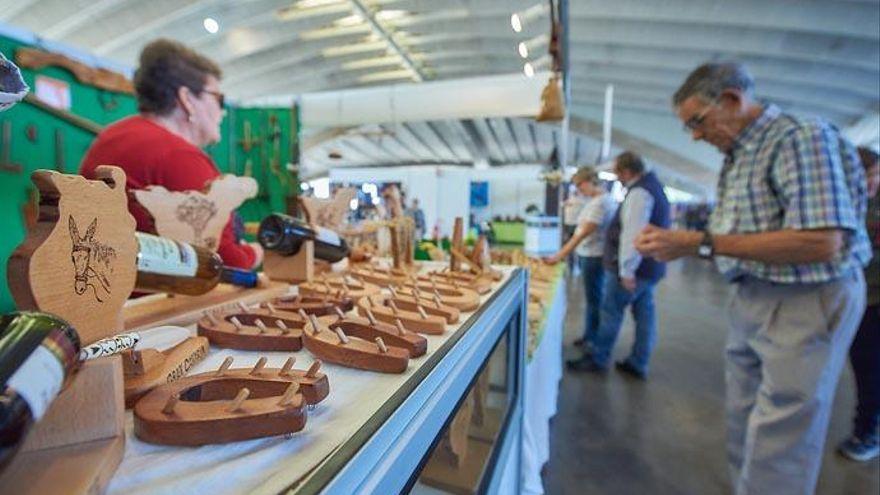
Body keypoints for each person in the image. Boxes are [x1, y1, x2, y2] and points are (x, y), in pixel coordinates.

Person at [635, 62, 870, 495]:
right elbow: (743, 233)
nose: (694, 136)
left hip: (805, 296)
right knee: (746, 416)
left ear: (731, 100)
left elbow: (821, 242)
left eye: (697, 122)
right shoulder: (740, 154)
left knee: (783, 429)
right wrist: (699, 244)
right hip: (755, 293)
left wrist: (699, 242)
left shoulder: (799, 137)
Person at [80, 39, 261, 270]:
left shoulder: (112, 136)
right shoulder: (179, 156)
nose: (222, 111)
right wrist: (257, 252)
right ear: (187, 99)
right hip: (153, 298)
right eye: (218, 98)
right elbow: (224, 261)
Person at [570, 152, 670, 378]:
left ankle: (598, 357)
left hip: (634, 269)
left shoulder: (639, 193)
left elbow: (632, 235)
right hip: (650, 267)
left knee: (611, 313)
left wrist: (626, 270)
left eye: (618, 173)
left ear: (627, 171)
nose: (617, 178)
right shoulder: (653, 187)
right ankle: (639, 361)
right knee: (644, 315)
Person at [542, 167, 615, 358]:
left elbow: (581, 235)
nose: (578, 189)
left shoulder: (601, 203)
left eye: (579, 185)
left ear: (589, 181)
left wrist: (559, 255)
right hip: (590, 254)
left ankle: (594, 342)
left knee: (595, 300)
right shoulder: (595, 201)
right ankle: (590, 336)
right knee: (592, 300)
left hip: (594, 256)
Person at [838, 146, 880, 462]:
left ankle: (867, 432)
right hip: (859, 295)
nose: (867, 184)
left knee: (870, 368)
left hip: (874, 299)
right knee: (864, 365)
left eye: (871, 176)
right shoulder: (846, 201)